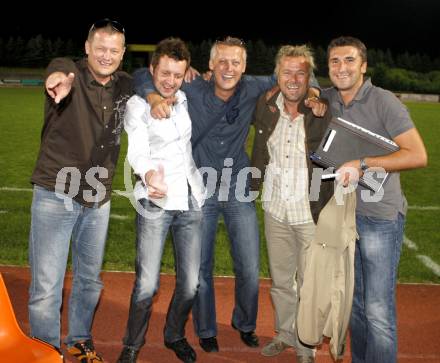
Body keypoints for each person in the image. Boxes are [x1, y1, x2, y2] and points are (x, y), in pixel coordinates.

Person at [134, 36, 325, 353]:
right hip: (201, 188)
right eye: (222, 61)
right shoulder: (192, 87)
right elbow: (142, 75)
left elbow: (305, 75)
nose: (228, 68)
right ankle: (206, 329)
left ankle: (245, 323)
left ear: (245, 66)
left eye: (236, 62)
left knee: (249, 267)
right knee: (202, 268)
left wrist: (314, 91)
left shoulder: (253, 86)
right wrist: (153, 96)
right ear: (210, 64)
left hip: (239, 186)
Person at [28, 19, 132, 362]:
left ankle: (79, 339)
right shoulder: (68, 72)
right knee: (47, 285)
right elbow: (58, 70)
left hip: (97, 198)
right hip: (55, 192)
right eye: (99, 48)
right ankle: (45, 350)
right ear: (87, 48)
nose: (106, 55)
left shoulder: (126, 85)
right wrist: (57, 81)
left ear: (122, 53)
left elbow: (155, 83)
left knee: (89, 280)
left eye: (114, 50)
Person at [321, 36, 428, 363]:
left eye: (349, 60)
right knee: (356, 303)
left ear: (364, 66)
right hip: (347, 216)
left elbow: (418, 155)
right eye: (335, 61)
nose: (342, 67)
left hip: (380, 218)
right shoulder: (329, 98)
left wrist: (364, 164)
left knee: (378, 309)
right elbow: (295, 85)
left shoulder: (384, 101)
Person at [116, 38, 205, 363]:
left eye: (177, 75)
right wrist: (149, 174)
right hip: (155, 201)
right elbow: (137, 150)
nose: (170, 81)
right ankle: (132, 344)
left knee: (191, 284)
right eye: (164, 73)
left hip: (191, 200)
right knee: (147, 284)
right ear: (152, 69)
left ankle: (174, 334)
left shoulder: (184, 98)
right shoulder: (139, 106)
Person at [250, 45, 333, 363]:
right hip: (275, 207)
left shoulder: (321, 109)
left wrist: (318, 95)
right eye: (287, 72)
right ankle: (285, 333)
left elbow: (333, 96)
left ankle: (306, 344)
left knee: (309, 283)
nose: (294, 79)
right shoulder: (266, 105)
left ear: (310, 76)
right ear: (277, 75)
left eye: (301, 72)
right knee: (282, 281)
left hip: (309, 211)